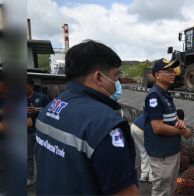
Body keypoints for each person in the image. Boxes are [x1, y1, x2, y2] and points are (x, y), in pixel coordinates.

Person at [35, 40, 140, 195]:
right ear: (98, 77)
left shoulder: (50, 108)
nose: (117, 81)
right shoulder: (105, 124)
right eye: (115, 75)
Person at [144, 58, 192, 196]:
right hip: (162, 155)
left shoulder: (165, 95)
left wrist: (180, 123)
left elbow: (172, 119)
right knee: (162, 190)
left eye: (173, 70)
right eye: (168, 71)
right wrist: (182, 130)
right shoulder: (154, 96)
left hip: (172, 151)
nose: (173, 73)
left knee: (170, 188)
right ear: (157, 75)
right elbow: (158, 127)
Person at [131, 109, 185, 183]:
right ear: (178, 116)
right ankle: (151, 177)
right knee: (152, 152)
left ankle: (144, 175)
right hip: (142, 129)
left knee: (143, 151)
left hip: (134, 126)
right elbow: (162, 131)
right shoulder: (169, 118)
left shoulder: (165, 112)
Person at [26, 77, 50, 186]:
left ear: (31, 86)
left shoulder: (42, 97)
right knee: (28, 155)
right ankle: (29, 177)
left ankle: (45, 178)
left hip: (41, 131)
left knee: (42, 155)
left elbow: (49, 111)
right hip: (27, 131)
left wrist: (36, 111)